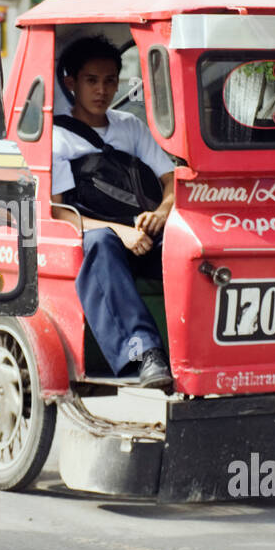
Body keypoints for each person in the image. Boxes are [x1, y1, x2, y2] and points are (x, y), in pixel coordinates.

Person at [50, 36, 176, 390]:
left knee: (186, 243)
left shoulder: (130, 127)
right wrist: (120, 232)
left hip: (144, 232)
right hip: (96, 239)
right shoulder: (58, 137)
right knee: (102, 242)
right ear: (71, 83)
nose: (101, 90)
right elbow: (59, 212)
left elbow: (172, 180)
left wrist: (163, 213)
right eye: (91, 80)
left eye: (109, 81)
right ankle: (145, 353)